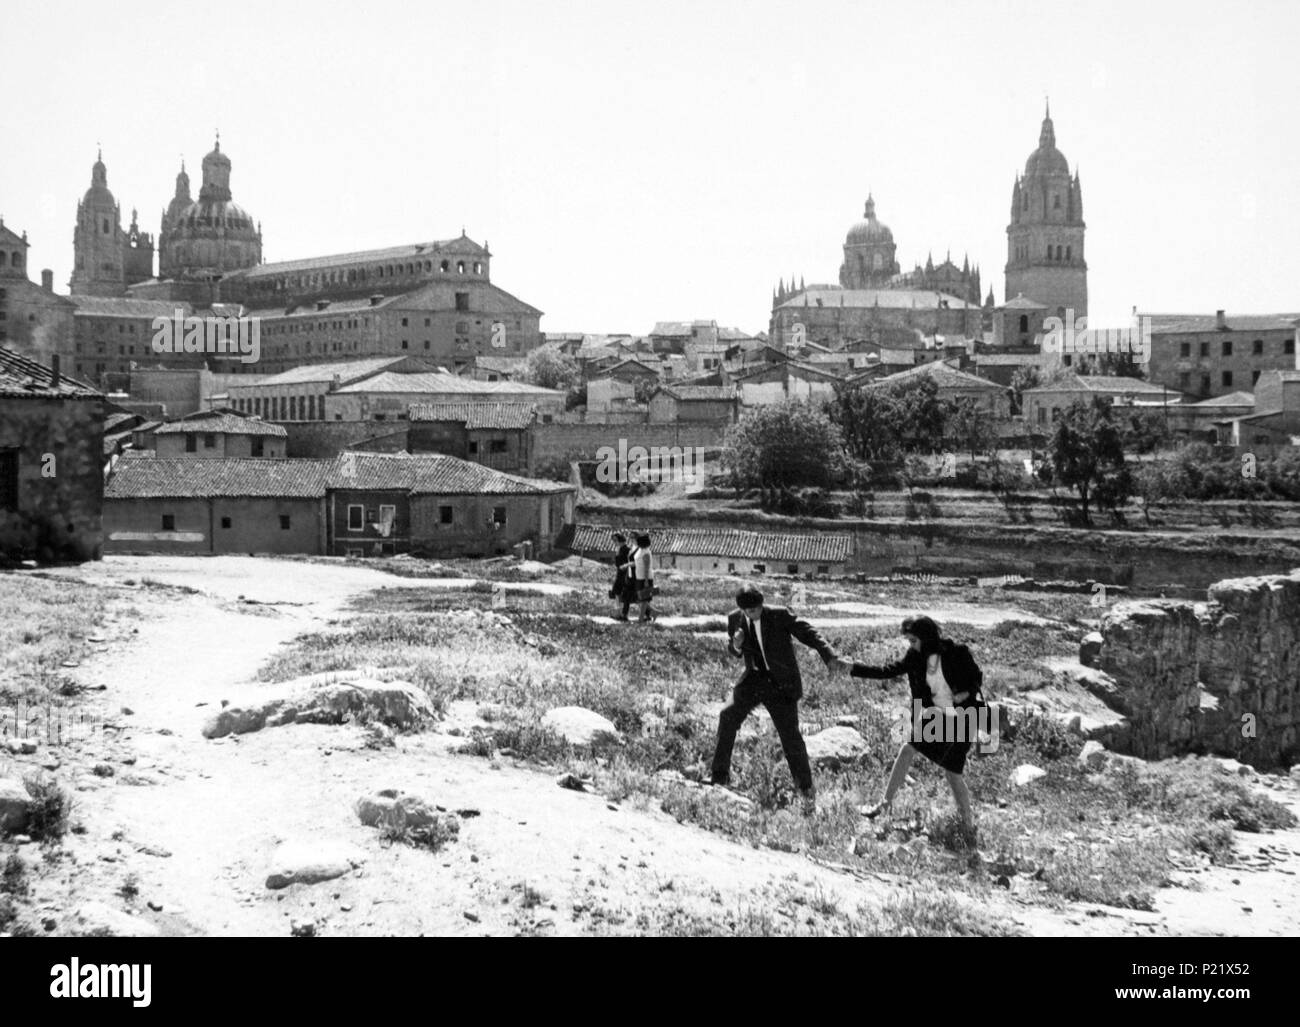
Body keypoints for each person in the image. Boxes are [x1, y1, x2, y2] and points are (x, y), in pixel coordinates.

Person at [833, 615, 983, 836]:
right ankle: (884, 805)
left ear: (926, 637)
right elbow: (887, 671)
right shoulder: (915, 657)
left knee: (953, 773)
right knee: (907, 749)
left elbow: (976, 677)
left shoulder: (956, 652)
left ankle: (967, 825)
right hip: (936, 715)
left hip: (964, 717)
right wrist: (851, 668)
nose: (910, 645)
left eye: (913, 640)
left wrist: (966, 692)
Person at [709, 585, 839, 815]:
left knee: (790, 736)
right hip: (754, 679)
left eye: (756, 609)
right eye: (748, 611)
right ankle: (719, 778)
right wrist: (736, 645)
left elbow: (808, 632)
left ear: (762, 604)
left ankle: (806, 791)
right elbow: (734, 651)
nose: (753, 614)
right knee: (727, 715)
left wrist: (828, 655)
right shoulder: (734, 619)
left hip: (781, 684)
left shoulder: (779, 615)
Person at [631, 533, 655, 622]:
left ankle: (640, 619)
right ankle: (654, 612)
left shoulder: (646, 552)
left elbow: (646, 567)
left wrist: (646, 580)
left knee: (644, 599)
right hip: (639, 577)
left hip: (645, 578)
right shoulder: (640, 550)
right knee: (640, 598)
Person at [610, 533, 632, 621]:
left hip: (625, 574)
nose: (614, 542)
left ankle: (621, 613)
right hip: (620, 573)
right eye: (613, 540)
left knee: (623, 594)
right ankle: (618, 612)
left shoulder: (626, 549)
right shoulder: (619, 549)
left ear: (620, 540)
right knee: (617, 592)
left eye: (615, 540)